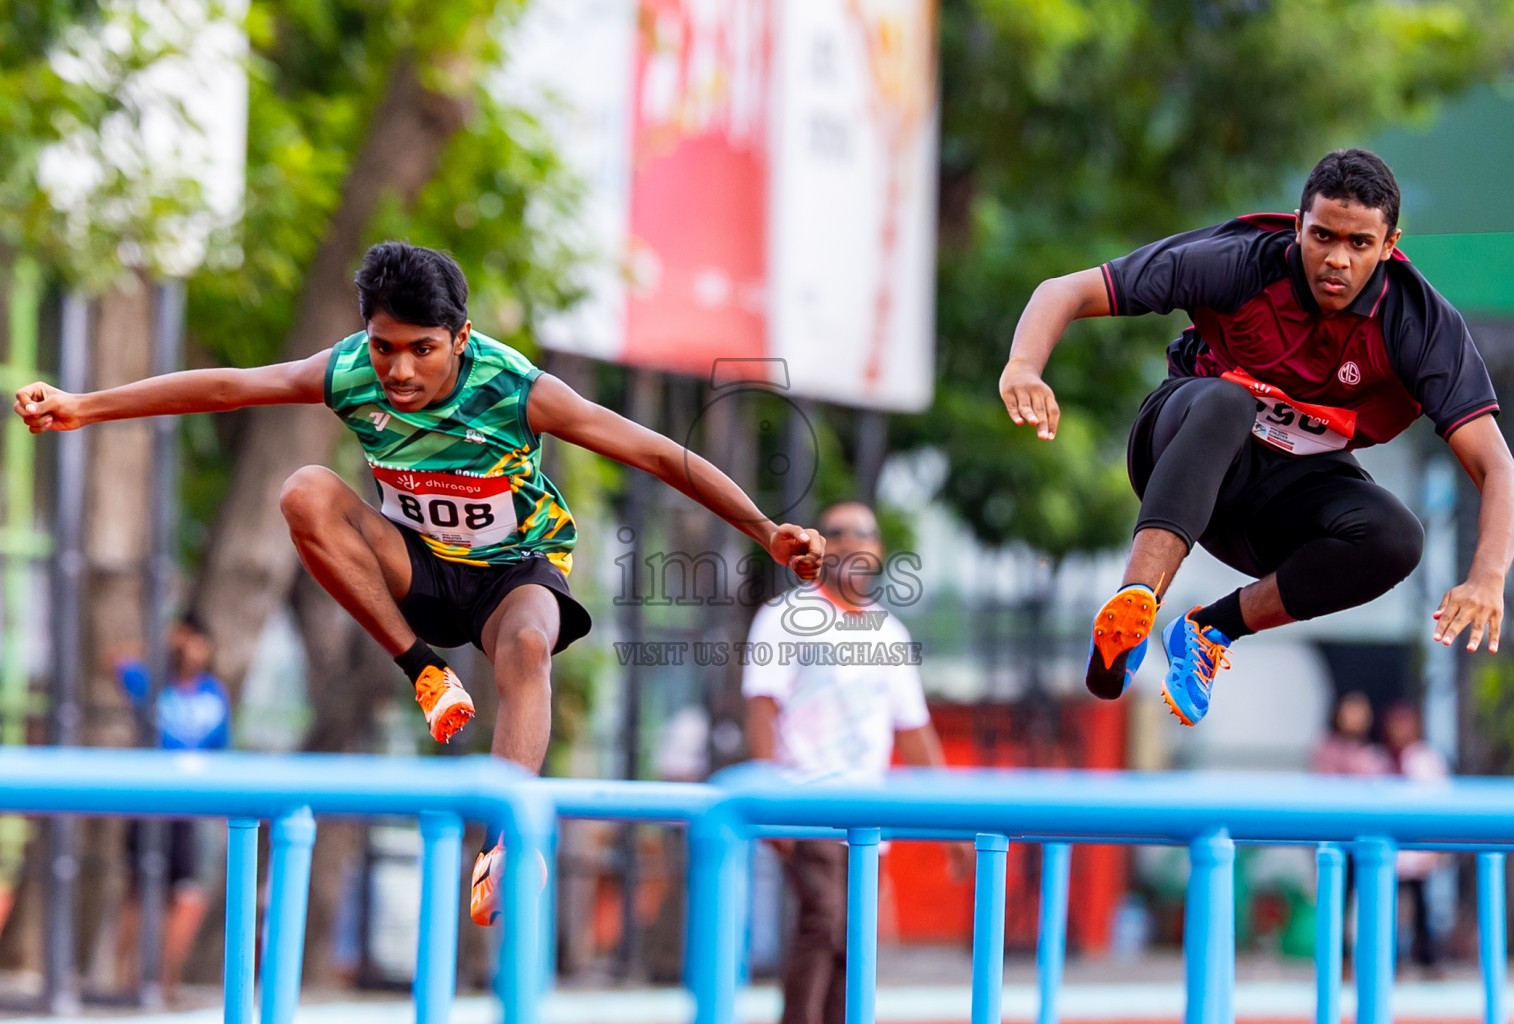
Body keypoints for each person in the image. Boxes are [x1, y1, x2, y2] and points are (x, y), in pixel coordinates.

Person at [15, 241, 824, 926]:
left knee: (529, 644)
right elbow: (230, 386)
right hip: (419, 563)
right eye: (384, 347)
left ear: (459, 337)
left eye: (421, 350)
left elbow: (653, 452)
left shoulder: (516, 389)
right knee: (305, 489)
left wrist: (763, 529)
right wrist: (86, 406)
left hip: (516, 570)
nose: (398, 372)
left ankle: (502, 844)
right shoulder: (350, 372)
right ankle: (424, 673)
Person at [998, 149, 1514, 726]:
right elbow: (1063, 291)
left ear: (1390, 244)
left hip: (1280, 498)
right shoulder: (1238, 262)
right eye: (1322, 236)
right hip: (1184, 447)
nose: (1337, 261)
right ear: (1297, 225)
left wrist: (1487, 579)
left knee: (1397, 537)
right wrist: (1024, 366)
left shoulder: (1417, 322)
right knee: (1230, 400)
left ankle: (1208, 631)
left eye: (1360, 245)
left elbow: (1500, 471)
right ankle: (1132, 610)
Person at [743, 500, 954, 1024]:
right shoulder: (786, 617)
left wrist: (952, 821)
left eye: (862, 533)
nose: (849, 542)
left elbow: (915, 733)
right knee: (826, 923)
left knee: (855, 940)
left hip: (868, 819)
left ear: (878, 551)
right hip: (808, 806)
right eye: (835, 532)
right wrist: (772, 806)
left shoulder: (890, 635)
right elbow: (761, 707)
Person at [114, 615, 231, 1001]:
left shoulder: (214, 694)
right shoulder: (152, 683)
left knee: (186, 893)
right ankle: (125, 979)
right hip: (149, 798)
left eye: (197, 641)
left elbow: (220, 750)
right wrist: (160, 642)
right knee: (138, 887)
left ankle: (167, 978)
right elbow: (113, 660)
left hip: (192, 806)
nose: (189, 649)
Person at [1382, 701, 1448, 973]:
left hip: (1419, 846)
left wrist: (1437, 847)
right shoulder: (1381, 757)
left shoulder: (1425, 758)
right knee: (1388, 906)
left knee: (1421, 906)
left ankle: (1425, 957)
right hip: (1390, 847)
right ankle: (1389, 958)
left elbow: (1440, 800)